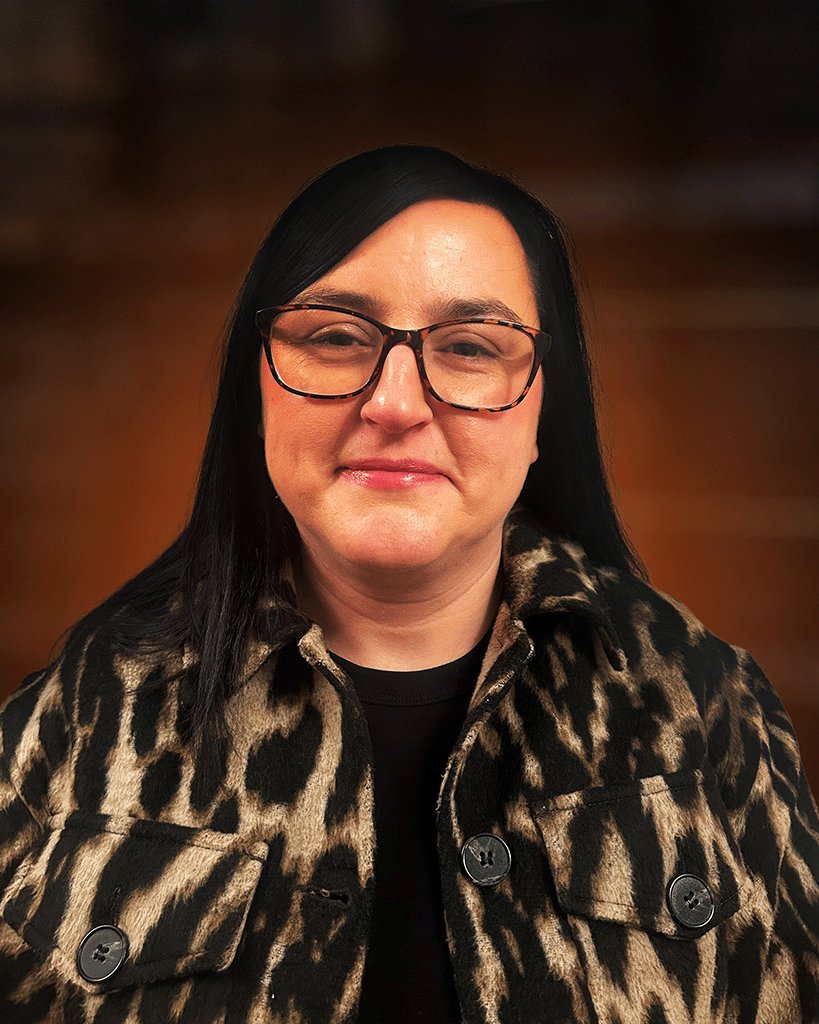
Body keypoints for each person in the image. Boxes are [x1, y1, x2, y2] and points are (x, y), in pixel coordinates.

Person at [0, 145, 817, 1024]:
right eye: (334, 337)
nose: (394, 403)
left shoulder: (704, 704)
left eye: (468, 347)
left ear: (542, 412)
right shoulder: (75, 717)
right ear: (256, 393)